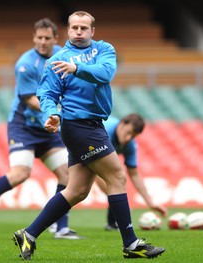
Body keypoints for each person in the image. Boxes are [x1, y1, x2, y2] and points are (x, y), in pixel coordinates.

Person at [13, 11, 165, 260]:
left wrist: (76, 68)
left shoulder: (104, 49)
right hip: (79, 126)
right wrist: (50, 114)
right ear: (68, 31)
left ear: (93, 31)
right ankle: (131, 243)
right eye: (74, 28)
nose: (79, 31)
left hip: (92, 125)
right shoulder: (58, 60)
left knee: (77, 190)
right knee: (117, 175)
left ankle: (28, 234)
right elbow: (47, 94)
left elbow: (105, 74)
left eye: (84, 27)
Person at [0, 18, 80, 240]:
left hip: (48, 127)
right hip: (24, 126)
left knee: (68, 174)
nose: (42, 42)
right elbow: (31, 101)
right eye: (39, 38)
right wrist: (58, 112)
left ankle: (60, 228)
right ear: (34, 38)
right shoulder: (25, 64)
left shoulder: (63, 55)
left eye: (47, 38)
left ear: (55, 39)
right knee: (20, 174)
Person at [97, 113, 168, 231]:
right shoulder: (104, 131)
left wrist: (150, 202)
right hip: (64, 138)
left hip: (86, 155)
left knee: (117, 183)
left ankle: (113, 223)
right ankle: (59, 225)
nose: (129, 138)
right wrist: (119, 200)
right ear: (122, 124)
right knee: (72, 184)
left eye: (133, 136)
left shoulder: (130, 145)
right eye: (128, 133)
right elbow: (94, 171)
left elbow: (134, 174)